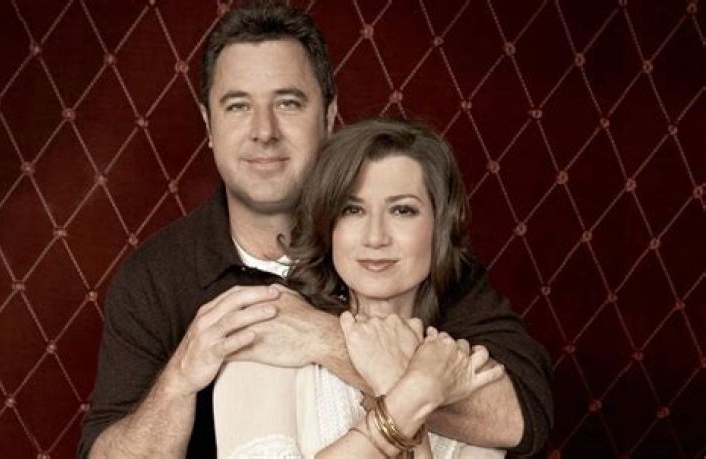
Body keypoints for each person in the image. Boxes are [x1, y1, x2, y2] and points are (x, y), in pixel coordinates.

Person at [79, 2, 552, 458]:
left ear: (328, 116)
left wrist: (325, 339)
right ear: (208, 124)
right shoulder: (157, 275)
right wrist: (180, 377)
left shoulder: (401, 257)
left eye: (288, 103)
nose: (264, 131)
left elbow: (522, 416)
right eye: (238, 106)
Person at [213, 118, 513, 458]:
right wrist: (412, 393)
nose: (375, 237)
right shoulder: (270, 341)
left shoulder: (461, 370)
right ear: (328, 227)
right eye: (352, 210)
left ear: (440, 226)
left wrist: (395, 382)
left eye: (402, 210)